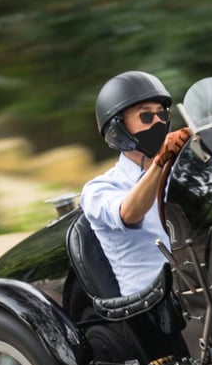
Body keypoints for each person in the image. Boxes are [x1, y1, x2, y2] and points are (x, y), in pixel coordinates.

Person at [81, 71, 191, 295]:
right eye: (146, 117)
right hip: (154, 306)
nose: (159, 122)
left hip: (200, 286)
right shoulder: (98, 189)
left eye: (162, 115)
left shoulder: (183, 170)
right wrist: (160, 163)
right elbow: (128, 213)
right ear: (118, 129)